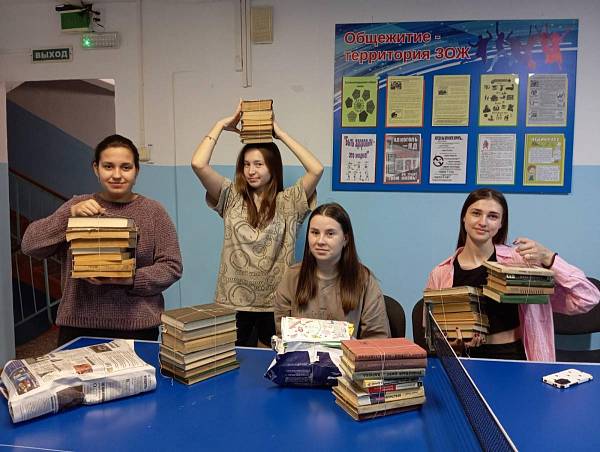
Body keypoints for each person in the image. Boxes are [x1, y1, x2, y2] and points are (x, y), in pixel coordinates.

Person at [21, 134, 183, 346]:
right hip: (78, 326)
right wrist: (69, 216)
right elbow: (29, 245)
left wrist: (130, 279)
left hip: (137, 327)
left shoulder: (153, 212)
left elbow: (172, 267)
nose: (117, 175)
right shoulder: (77, 206)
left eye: (126, 167)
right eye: (108, 166)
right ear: (96, 169)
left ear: (137, 171)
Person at [191, 102, 323, 347]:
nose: (251, 171)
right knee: (232, 362)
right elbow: (198, 164)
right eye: (246, 164)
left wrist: (279, 134)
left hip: (275, 302)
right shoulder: (231, 197)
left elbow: (316, 169)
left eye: (259, 164)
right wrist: (221, 125)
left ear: (273, 167)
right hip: (232, 303)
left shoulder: (289, 202)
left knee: (271, 362)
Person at [426, 188, 599, 361]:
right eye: (476, 213)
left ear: (501, 223)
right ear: (464, 217)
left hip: (515, 357)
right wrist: (452, 345)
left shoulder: (521, 262)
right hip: (465, 360)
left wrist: (548, 257)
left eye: (492, 216)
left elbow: (586, 298)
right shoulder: (441, 273)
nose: (483, 222)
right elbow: (432, 333)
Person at [275, 203, 390, 339]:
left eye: (330, 234)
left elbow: (377, 338)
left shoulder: (364, 280)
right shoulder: (292, 277)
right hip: (301, 353)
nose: (320, 241)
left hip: (348, 353)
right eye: (315, 233)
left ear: (345, 239)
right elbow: (283, 334)